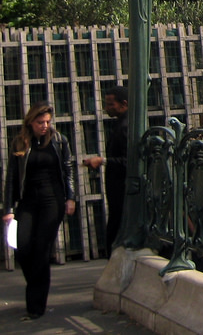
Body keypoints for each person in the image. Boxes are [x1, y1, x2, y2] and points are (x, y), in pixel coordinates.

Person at [3, 101, 76, 320]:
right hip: (27, 201)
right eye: (39, 122)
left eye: (47, 122)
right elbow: (12, 177)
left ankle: (35, 305)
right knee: (23, 247)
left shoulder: (59, 141)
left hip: (52, 200)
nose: (44, 126)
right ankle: (35, 287)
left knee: (42, 251)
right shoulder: (20, 142)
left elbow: (67, 170)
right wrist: (8, 208)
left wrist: (70, 198)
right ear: (31, 122)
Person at [84, 85, 129, 256]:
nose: (107, 108)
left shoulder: (125, 126)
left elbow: (128, 160)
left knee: (116, 228)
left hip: (122, 189)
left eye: (111, 104)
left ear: (123, 104)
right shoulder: (122, 124)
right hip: (118, 189)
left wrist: (103, 161)